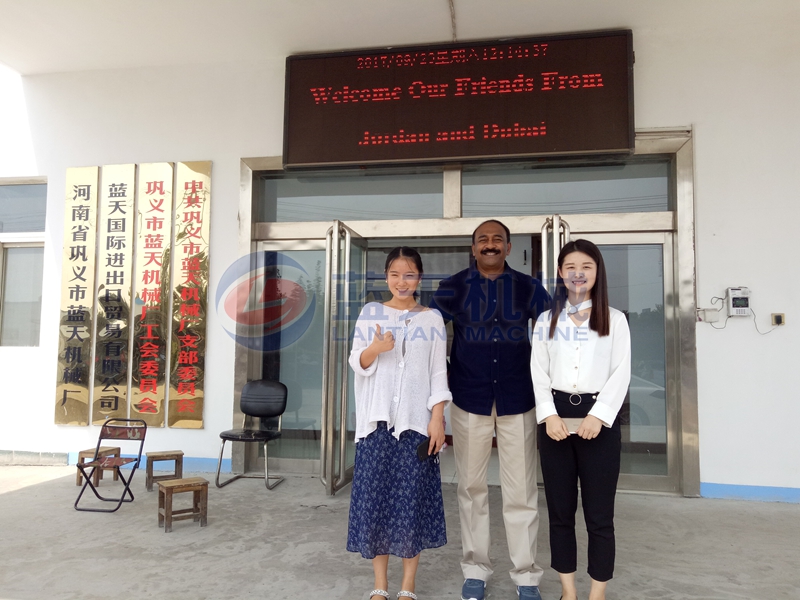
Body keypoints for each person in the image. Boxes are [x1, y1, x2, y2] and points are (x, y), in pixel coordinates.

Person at [429, 220, 550, 600]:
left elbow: (553, 339)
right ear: (473, 247)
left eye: (498, 239)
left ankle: (526, 576)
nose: (490, 245)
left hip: (519, 399)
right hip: (469, 398)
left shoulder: (530, 288)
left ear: (509, 247)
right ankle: (475, 570)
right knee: (471, 488)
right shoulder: (453, 287)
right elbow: (429, 336)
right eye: (483, 239)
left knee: (521, 491)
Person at [347, 246, 452, 600]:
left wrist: (438, 418)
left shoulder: (433, 319)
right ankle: (380, 584)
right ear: (386, 276)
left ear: (419, 278)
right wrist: (376, 349)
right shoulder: (370, 313)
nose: (401, 281)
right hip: (376, 425)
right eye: (395, 274)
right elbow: (356, 361)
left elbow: (439, 373)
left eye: (409, 275)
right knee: (375, 503)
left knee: (410, 504)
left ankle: (408, 585)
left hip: (415, 427)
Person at [530, 239, 631, 600]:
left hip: (597, 425)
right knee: (560, 513)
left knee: (600, 516)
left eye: (586, 266)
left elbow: (621, 373)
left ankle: (597, 593)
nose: (578, 272)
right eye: (571, 266)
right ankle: (568, 591)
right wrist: (549, 416)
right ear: (560, 273)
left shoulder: (615, 319)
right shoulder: (547, 320)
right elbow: (538, 372)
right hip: (555, 423)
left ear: (597, 272)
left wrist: (599, 416)